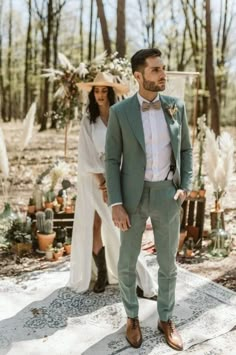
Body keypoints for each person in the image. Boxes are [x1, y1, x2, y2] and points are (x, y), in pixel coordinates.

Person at [105, 49, 193, 350]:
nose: (163, 75)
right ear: (138, 76)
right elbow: (112, 159)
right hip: (132, 197)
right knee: (127, 263)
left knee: (168, 264)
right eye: (156, 70)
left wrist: (186, 186)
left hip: (168, 195)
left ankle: (165, 318)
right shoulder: (120, 113)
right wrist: (116, 203)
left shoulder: (176, 106)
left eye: (163, 69)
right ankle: (132, 317)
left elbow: (186, 151)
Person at [68, 72, 158, 299]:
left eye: (104, 90)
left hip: (117, 177)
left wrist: (117, 180)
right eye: (96, 90)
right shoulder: (88, 120)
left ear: (110, 93)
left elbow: (127, 148)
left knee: (122, 227)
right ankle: (101, 274)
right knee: (94, 224)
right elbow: (87, 155)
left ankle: (143, 282)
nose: (99, 94)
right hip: (94, 180)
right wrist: (103, 183)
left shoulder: (120, 116)